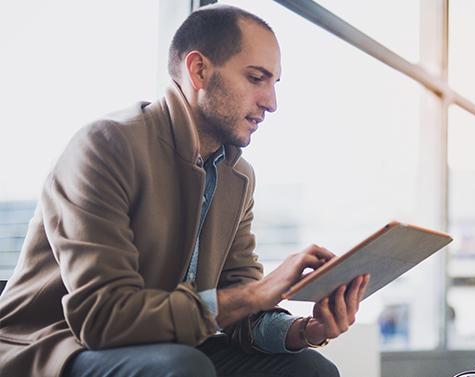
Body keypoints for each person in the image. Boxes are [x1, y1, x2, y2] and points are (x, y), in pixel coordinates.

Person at [0, 5, 369, 377]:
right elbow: (104, 320)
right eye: (257, 78)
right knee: (183, 367)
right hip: (60, 345)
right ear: (199, 70)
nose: (271, 103)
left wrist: (305, 330)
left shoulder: (236, 176)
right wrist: (254, 293)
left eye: (274, 83)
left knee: (310, 369)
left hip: (173, 345)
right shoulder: (105, 146)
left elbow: (240, 306)